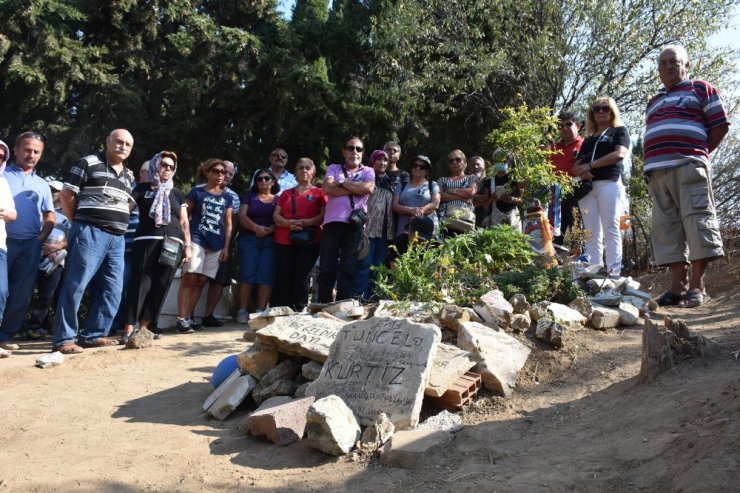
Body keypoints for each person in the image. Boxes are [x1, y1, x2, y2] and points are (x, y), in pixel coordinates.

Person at [644, 45, 730, 308]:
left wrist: (697, 152)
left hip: (689, 167)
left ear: (686, 65)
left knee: (697, 221)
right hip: (658, 173)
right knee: (666, 228)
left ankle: (697, 285)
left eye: (674, 61)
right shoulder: (653, 101)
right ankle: (677, 286)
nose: (668, 66)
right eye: (663, 63)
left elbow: (720, 126)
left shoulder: (700, 88)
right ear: (658, 70)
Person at [51, 129, 136, 354]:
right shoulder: (88, 162)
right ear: (107, 141)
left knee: (113, 290)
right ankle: (64, 339)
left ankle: (94, 334)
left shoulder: (129, 175)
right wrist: (78, 220)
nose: (123, 146)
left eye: (128, 144)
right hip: (89, 232)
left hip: (117, 239)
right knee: (76, 285)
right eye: (119, 141)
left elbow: (127, 203)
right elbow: (68, 194)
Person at [122, 152, 190, 342]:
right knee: (141, 282)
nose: (167, 169)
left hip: (173, 243)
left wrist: (188, 246)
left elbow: (184, 222)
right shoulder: (142, 188)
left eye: (171, 166)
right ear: (154, 166)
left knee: (162, 284)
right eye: (163, 165)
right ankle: (128, 328)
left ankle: (144, 327)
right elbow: (125, 210)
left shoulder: (176, 193)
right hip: (146, 240)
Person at [0, 132, 55, 350]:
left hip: (29, 245)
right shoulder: (3, 175)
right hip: (4, 242)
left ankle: (4, 336)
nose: (31, 154)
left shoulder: (42, 184)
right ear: (16, 149)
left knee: (21, 295)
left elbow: (50, 216)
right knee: (1, 290)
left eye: (36, 151)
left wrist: (39, 239)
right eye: (27, 149)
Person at [573, 97, 630, 278]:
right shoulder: (588, 139)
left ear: (612, 111)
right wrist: (582, 172)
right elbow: (576, 165)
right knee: (591, 232)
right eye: (596, 109)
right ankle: (595, 271)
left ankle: (613, 273)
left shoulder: (619, 131)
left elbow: (619, 154)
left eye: (605, 108)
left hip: (609, 184)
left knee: (611, 228)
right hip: (587, 188)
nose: (600, 112)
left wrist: (590, 167)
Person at [176, 159, 233, 333]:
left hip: (216, 244)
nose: (220, 175)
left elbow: (228, 224)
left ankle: (189, 318)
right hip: (197, 239)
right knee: (190, 278)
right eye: (216, 171)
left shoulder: (227, 197)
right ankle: (182, 318)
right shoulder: (196, 192)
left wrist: (226, 247)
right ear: (206, 172)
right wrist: (185, 242)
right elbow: (185, 216)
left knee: (201, 280)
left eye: (223, 172)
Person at [317, 136, 375, 302]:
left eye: (358, 149)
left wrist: (341, 182)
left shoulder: (368, 171)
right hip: (332, 223)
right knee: (327, 267)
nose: (354, 152)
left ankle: (342, 306)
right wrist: (356, 189)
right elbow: (327, 188)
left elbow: (368, 188)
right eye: (350, 148)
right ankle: (323, 304)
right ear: (344, 151)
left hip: (354, 225)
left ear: (363, 153)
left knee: (348, 268)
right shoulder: (334, 167)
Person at [271, 158, 326, 312]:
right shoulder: (286, 194)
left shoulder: (319, 193)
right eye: (300, 168)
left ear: (313, 172)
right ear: (295, 172)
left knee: (303, 276)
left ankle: (298, 308)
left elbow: (323, 216)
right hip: (284, 239)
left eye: (308, 168)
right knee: (284, 274)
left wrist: (305, 223)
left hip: (310, 240)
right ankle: (281, 309)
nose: (304, 170)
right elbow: (276, 216)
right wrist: (289, 224)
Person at [24, 179, 70, 340]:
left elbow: (73, 237)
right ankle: (22, 327)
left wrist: (57, 247)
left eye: (55, 191)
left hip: (56, 262)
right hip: (34, 257)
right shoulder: (39, 211)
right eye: (49, 190)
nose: (52, 193)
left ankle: (38, 328)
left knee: (46, 296)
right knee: (25, 293)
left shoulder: (68, 214)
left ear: (62, 193)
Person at [200, 160, 240, 327]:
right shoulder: (201, 189)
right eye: (224, 172)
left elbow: (234, 223)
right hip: (200, 241)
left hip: (223, 243)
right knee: (198, 278)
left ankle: (207, 315)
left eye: (231, 174)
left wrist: (227, 245)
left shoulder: (234, 196)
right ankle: (187, 316)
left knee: (219, 281)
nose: (227, 176)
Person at [354, 150, 397, 300]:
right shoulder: (366, 177)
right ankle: (359, 297)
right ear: (372, 161)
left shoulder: (392, 181)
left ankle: (373, 298)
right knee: (364, 264)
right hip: (368, 229)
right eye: (379, 160)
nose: (382, 163)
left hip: (386, 231)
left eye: (385, 160)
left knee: (379, 267)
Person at [237, 169, 279, 316]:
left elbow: (281, 218)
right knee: (247, 273)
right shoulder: (249, 197)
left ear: (273, 182)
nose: (263, 181)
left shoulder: (278, 199)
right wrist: (256, 228)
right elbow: (242, 216)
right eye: (259, 179)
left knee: (266, 274)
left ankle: (260, 311)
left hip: (271, 240)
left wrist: (268, 230)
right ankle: (242, 310)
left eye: (267, 178)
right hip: (249, 239)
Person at [549, 111, 584, 245]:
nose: (564, 128)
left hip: (578, 200)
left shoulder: (586, 145)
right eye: (560, 126)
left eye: (569, 124)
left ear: (578, 126)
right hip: (556, 204)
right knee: (553, 243)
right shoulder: (553, 150)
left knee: (579, 241)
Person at [393, 154, 440, 236]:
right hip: (404, 231)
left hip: (427, 231)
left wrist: (422, 210)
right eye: (415, 165)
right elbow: (395, 206)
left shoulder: (432, 185)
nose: (418, 168)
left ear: (427, 171)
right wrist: (410, 210)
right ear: (411, 168)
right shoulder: (402, 185)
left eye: (422, 166)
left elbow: (435, 204)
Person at [0, 140, 18, 356]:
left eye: (1, 157)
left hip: (0, 245)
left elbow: (13, 214)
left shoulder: (3, 183)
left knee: (1, 291)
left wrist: (4, 213)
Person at [437, 149, 479, 233]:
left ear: (465, 163)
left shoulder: (471, 178)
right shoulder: (442, 180)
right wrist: (463, 198)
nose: (454, 162)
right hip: (445, 219)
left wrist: (450, 190)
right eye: (451, 161)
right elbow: (440, 197)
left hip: (465, 219)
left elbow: (471, 192)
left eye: (458, 159)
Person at [487, 160, 524, 232]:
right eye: (498, 160)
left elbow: (522, 201)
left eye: (504, 161)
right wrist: (492, 198)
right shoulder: (489, 181)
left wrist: (511, 199)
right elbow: (485, 205)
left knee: (515, 241)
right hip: (496, 220)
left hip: (513, 217)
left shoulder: (515, 180)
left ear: (508, 163)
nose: (501, 163)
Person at [470, 156, 490, 227]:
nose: (475, 167)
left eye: (478, 164)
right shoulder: (466, 182)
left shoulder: (489, 181)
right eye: (472, 165)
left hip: (486, 219)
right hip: (468, 219)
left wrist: (472, 197)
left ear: (483, 167)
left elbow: (489, 201)